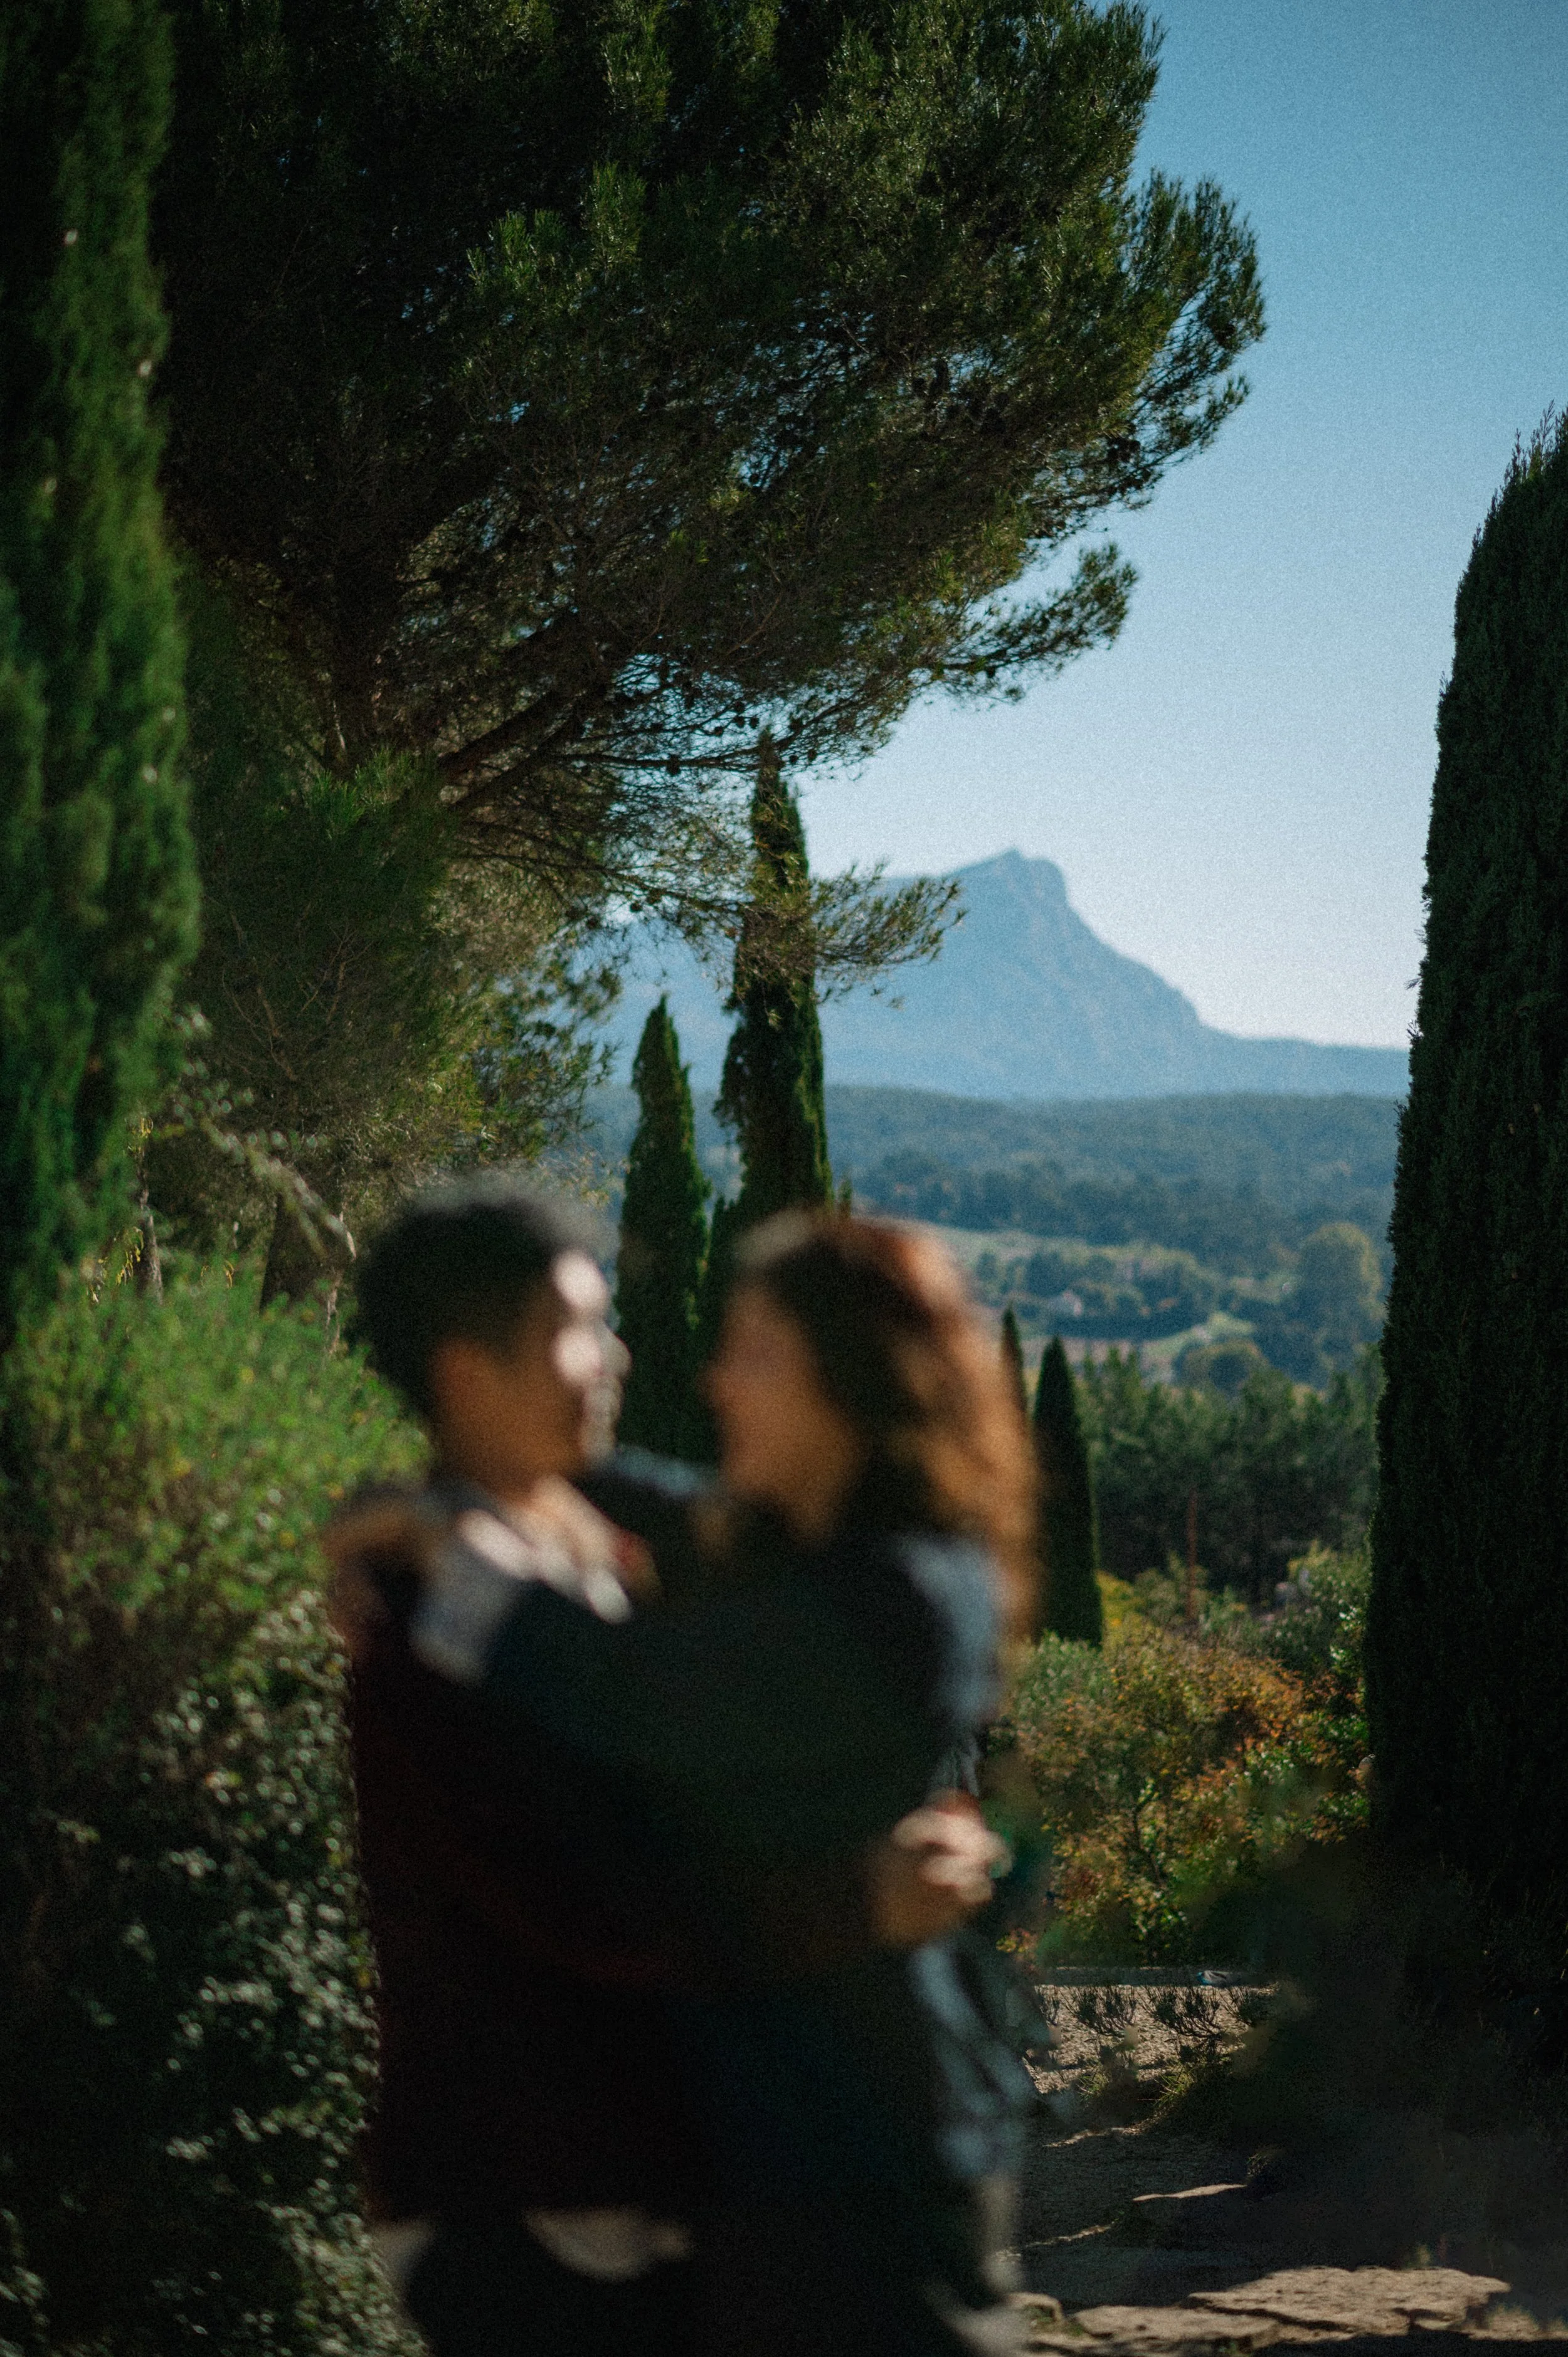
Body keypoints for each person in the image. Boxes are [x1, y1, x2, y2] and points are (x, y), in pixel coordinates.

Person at [329, 1180, 1015, 2357]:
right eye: (579, 1331)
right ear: (471, 1369)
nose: (665, 1367)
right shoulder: (432, 1610)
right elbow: (584, 1898)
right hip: (543, 2202)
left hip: (761, 2174)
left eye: (753, 1352)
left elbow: (655, 1657)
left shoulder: (862, 1586)